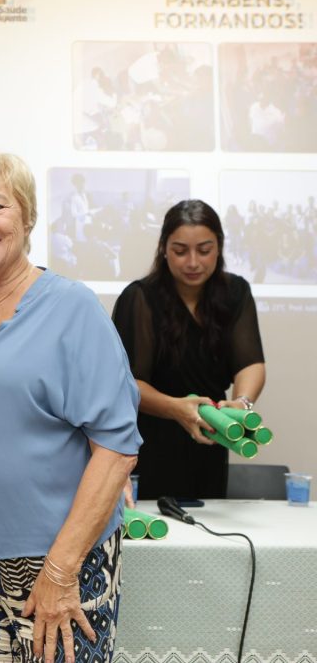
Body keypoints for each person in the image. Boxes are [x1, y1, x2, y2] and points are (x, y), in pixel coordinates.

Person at [0, 148, 140, 663]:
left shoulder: (71, 308)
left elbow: (117, 448)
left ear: (27, 218)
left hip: (57, 563)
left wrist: (60, 571)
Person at [112, 199, 265, 500]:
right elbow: (127, 383)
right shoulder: (139, 297)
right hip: (152, 439)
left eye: (204, 250)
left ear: (219, 247)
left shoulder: (236, 292)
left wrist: (242, 402)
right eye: (180, 251)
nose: (193, 262)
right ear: (163, 249)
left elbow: (250, 362)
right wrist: (176, 408)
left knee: (210, 519)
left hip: (212, 433)